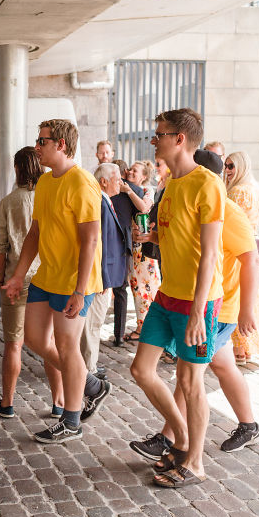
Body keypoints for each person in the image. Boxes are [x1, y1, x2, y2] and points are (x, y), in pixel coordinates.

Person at [130, 150, 259, 463]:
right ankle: (249, 425)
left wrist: (246, 310)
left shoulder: (227, 210)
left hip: (219, 306)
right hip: (197, 301)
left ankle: (171, 438)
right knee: (217, 367)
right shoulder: (187, 195)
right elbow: (184, 240)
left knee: (190, 376)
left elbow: (251, 259)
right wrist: (152, 236)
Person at [130, 109, 225, 488]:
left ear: (180, 139)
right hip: (166, 294)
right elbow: (175, 234)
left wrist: (199, 310)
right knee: (141, 370)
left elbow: (211, 252)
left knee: (190, 382)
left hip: (197, 301)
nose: (154, 140)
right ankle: (183, 441)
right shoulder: (171, 184)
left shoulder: (207, 184)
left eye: (160, 134)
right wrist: (152, 238)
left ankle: (196, 463)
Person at [3, 119, 109, 444]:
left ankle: (71, 420)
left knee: (66, 347)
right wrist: (18, 275)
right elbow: (34, 233)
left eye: (42, 141)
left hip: (75, 282)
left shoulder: (83, 183)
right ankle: (91, 384)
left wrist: (80, 290)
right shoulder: (46, 182)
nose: (37, 146)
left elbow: (90, 240)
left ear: (60, 144)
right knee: (34, 340)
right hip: (46, 276)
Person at [0, 147, 46, 418]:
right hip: (47, 278)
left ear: (18, 169)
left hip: (17, 279)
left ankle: (8, 402)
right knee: (50, 343)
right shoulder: (49, 197)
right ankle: (59, 404)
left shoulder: (9, 202)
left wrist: (1, 279)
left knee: (13, 344)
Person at [78, 163, 132, 380]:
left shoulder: (105, 200)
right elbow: (100, 244)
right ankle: (88, 370)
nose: (120, 182)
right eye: (117, 178)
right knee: (92, 324)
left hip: (104, 275)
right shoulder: (100, 202)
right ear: (104, 181)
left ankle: (89, 365)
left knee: (94, 324)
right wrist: (104, 279)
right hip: (101, 276)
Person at [224, 151, 259, 365]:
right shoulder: (254, 188)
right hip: (250, 246)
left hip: (236, 250)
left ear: (241, 167)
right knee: (250, 298)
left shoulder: (237, 192)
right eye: (226, 165)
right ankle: (245, 349)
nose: (227, 170)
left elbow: (230, 220)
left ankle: (239, 350)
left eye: (232, 166)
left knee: (237, 297)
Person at [110, 159, 146, 348]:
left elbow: (143, 209)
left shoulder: (134, 191)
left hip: (119, 245)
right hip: (116, 244)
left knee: (117, 290)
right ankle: (116, 335)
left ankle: (116, 334)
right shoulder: (132, 190)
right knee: (117, 290)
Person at [125, 160, 160, 341]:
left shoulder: (148, 191)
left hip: (145, 246)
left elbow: (144, 208)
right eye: (130, 169)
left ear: (144, 176)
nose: (130, 172)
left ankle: (143, 328)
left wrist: (129, 191)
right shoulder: (127, 192)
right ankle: (145, 325)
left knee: (145, 288)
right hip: (134, 245)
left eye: (135, 171)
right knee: (137, 286)